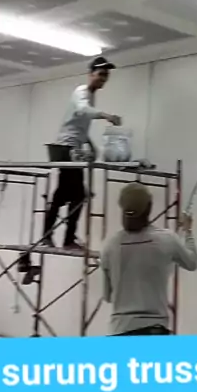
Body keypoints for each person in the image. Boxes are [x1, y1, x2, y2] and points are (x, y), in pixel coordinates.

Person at [90, 182, 197, 392]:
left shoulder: (110, 245)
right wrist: (187, 232)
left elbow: (108, 296)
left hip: (120, 335)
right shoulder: (166, 240)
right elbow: (192, 262)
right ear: (150, 210)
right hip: (155, 334)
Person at [43, 55, 121, 250]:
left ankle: (52, 236)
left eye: (106, 76)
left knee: (64, 194)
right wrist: (105, 115)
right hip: (65, 148)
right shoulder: (81, 91)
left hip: (72, 147)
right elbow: (83, 110)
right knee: (76, 194)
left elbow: (79, 126)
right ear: (90, 74)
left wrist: (91, 145)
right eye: (101, 74)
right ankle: (65, 239)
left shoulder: (91, 95)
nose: (104, 79)